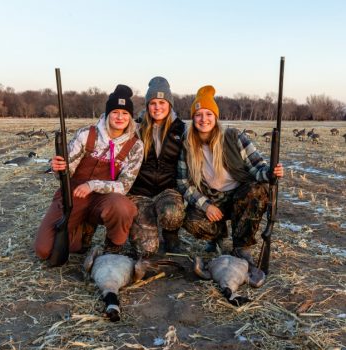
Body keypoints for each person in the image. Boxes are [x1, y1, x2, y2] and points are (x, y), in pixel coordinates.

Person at [34, 84, 144, 260]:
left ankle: (113, 247)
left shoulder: (135, 145)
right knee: (44, 251)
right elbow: (66, 170)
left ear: (130, 117)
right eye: (115, 112)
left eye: (125, 113)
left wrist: (93, 185)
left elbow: (124, 186)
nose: (120, 117)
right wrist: (59, 167)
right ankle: (82, 232)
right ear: (108, 114)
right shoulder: (86, 134)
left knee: (123, 207)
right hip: (74, 195)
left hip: (104, 197)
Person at [177, 85, 284, 264]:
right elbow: (182, 182)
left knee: (257, 191)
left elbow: (258, 166)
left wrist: (271, 173)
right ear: (193, 118)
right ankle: (216, 237)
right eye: (198, 115)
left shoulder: (233, 137)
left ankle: (241, 246)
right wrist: (206, 206)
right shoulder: (187, 144)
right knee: (190, 220)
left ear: (216, 116)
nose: (204, 119)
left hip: (239, 195)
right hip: (212, 197)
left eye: (208, 114)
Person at [128, 76, 186, 256]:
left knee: (171, 212)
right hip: (140, 191)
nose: (157, 107)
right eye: (153, 102)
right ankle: (147, 229)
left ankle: (171, 235)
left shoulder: (182, 129)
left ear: (170, 103)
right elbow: (109, 130)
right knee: (147, 251)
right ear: (147, 106)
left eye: (162, 102)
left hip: (167, 190)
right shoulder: (136, 128)